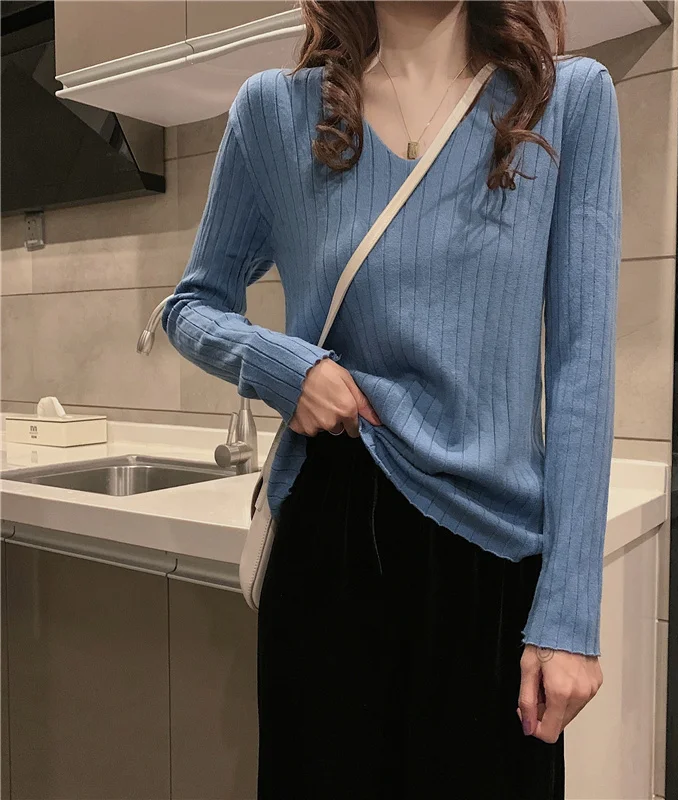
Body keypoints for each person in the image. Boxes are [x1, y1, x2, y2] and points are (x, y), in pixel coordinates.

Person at [162, 1, 622, 797]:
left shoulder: (565, 100)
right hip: (330, 542)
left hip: (492, 557)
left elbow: (583, 365)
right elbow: (191, 305)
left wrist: (570, 616)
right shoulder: (275, 112)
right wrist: (285, 368)